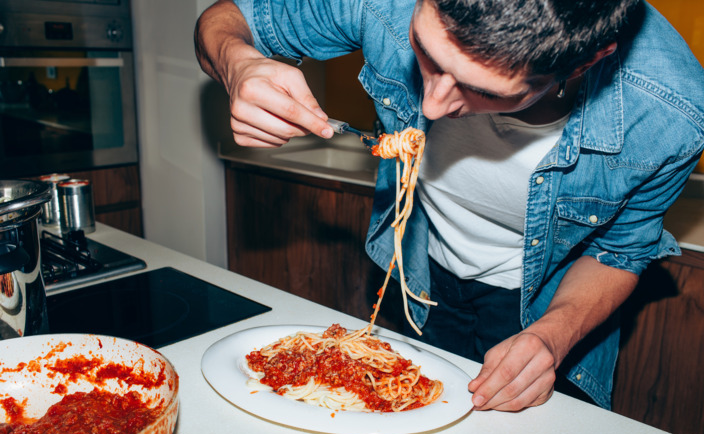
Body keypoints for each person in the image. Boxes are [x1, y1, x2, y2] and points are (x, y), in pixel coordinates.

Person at [195, 0, 704, 411]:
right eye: (425, 49)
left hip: (548, 302)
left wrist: (550, 338)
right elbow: (223, 20)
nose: (433, 107)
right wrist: (238, 64)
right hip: (425, 272)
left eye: (481, 90)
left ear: (585, 61)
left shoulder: (670, 110)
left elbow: (620, 250)